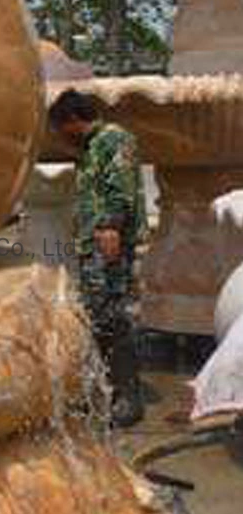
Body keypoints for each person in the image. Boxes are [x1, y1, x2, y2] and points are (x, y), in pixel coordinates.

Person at [49, 89, 147, 427]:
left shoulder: (113, 139)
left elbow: (119, 187)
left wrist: (111, 227)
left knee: (113, 318)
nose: (60, 137)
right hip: (93, 247)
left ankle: (129, 399)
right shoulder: (90, 148)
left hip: (109, 244)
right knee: (98, 317)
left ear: (73, 120)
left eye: (60, 128)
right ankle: (104, 393)